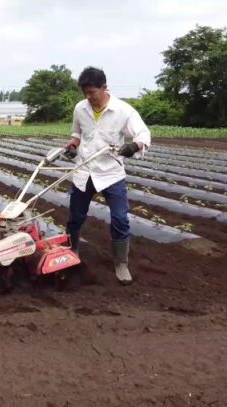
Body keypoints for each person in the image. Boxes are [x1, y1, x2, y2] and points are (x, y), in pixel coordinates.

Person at [63, 66, 151, 285]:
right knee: (76, 216)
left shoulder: (123, 110)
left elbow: (144, 134)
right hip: (84, 170)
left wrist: (134, 146)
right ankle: (72, 249)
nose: (88, 97)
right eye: (84, 93)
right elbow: (77, 133)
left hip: (111, 173)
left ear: (104, 88)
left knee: (120, 218)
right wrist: (73, 145)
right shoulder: (80, 108)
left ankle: (121, 263)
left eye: (92, 92)